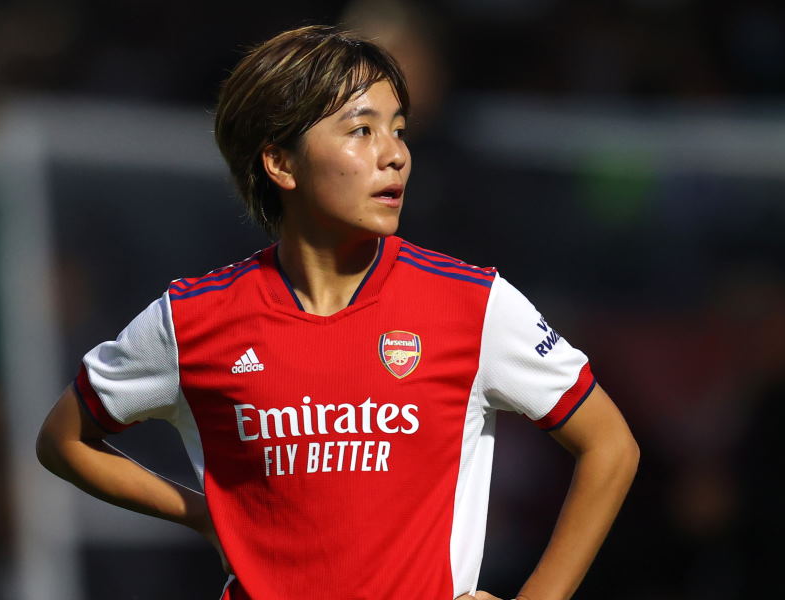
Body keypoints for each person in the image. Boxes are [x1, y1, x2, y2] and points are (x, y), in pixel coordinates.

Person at [36, 25, 639, 600]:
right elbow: (63, 440)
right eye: (361, 130)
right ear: (280, 163)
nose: (395, 155)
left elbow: (610, 446)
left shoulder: (473, 303)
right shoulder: (191, 320)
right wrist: (199, 514)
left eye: (398, 130)